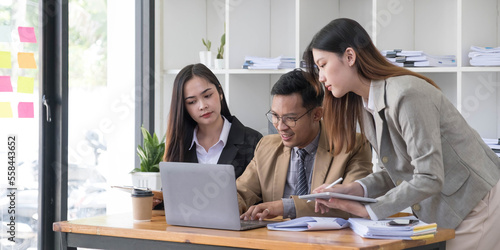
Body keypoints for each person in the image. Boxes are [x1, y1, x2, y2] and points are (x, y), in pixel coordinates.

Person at [304, 18, 500, 249]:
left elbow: (429, 176)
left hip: (478, 203)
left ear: (349, 57)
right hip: (450, 210)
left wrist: (370, 210)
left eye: (323, 65)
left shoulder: (406, 95)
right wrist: (352, 190)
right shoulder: (367, 104)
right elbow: (397, 172)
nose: (320, 77)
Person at [237, 68, 372, 221]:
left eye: (290, 118)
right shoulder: (266, 146)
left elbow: (352, 205)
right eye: (275, 116)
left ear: (316, 115)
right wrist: (229, 204)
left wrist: (287, 207)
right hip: (274, 239)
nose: (280, 126)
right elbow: (242, 192)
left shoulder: (353, 145)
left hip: (326, 242)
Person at [155, 63, 263, 208]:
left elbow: (261, 200)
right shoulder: (179, 144)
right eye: (192, 102)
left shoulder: (253, 141)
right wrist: (155, 203)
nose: (202, 105)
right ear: (184, 107)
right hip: (186, 229)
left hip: (236, 229)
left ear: (220, 92)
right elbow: (171, 200)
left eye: (207, 95)